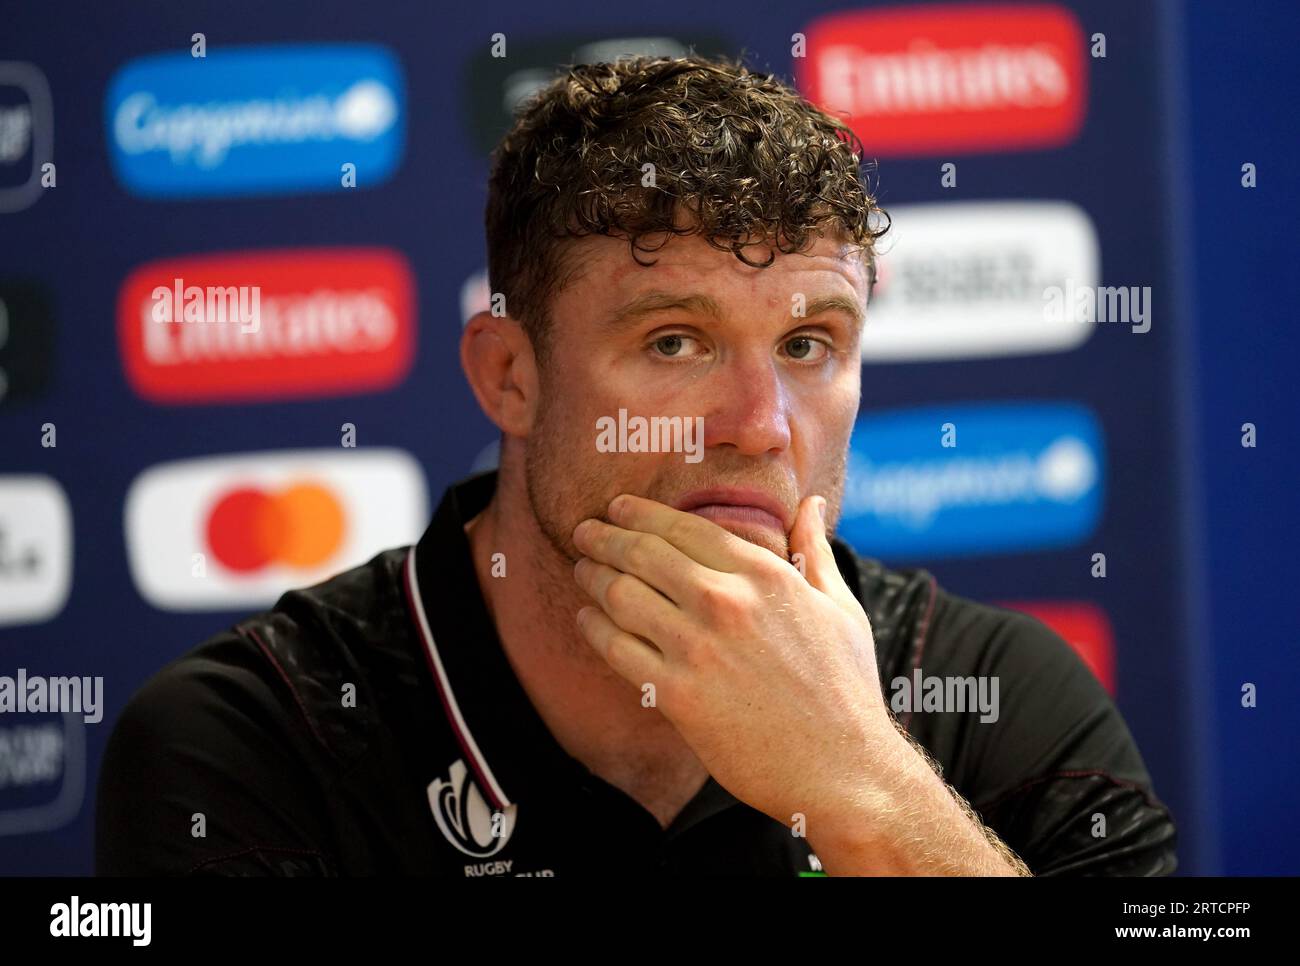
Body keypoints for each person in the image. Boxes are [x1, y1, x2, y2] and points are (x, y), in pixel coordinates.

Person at [96, 54, 1177, 876]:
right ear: (509, 375)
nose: (759, 425)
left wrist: (860, 788)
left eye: (808, 346)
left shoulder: (997, 697)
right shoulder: (252, 742)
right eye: (674, 343)